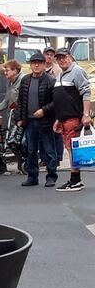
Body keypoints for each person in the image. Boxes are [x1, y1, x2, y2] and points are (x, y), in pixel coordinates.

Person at [52, 47, 92, 192]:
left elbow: (86, 91)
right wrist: (58, 118)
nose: (62, 60)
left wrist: (86, 114)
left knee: (73, 149)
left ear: (71, 57)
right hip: (64, 119)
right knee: (70, 149)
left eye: (64, 57)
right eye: (59, 58)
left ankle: (75, 180)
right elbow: (61, 99)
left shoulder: (77, 71)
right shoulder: (61, 74)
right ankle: (75, 179)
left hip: (73, 118)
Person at [15, 53, 58, 188]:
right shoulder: (25, 80)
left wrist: (43, 110)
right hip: (30, 122)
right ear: (30, 65)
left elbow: (55, 102)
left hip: (45, 121)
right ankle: (32, 177)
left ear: (44, 65)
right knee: (31, 150)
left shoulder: (50, 80)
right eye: (34, 63)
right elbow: (20, 101)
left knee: (49, 149)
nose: (36, 65)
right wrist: (19, 118)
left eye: (39, 63)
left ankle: (51, 177)